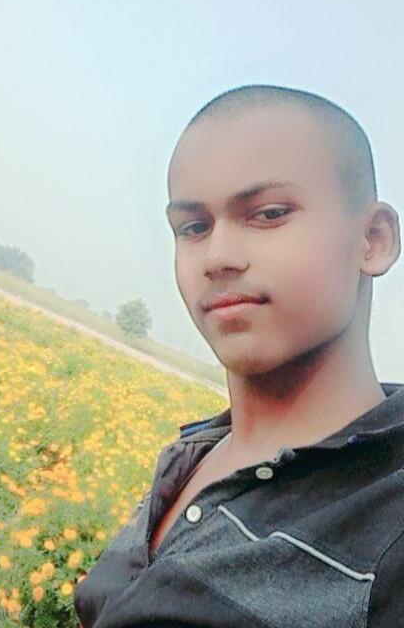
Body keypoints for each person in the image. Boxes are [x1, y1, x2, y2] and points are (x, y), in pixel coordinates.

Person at [73, 84, 403, 627]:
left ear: (373, 239)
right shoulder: (193, 456)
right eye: (193, 227)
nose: (217, 256)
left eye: (268, 214)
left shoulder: (389, 532)